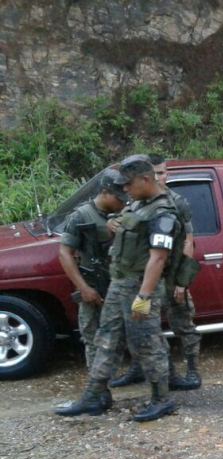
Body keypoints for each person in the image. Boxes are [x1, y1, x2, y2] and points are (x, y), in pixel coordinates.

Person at [54, 158, 183, 422]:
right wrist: (113, 221)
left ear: (145, 179)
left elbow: (158, 258)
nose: (125, 190)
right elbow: (124, 222)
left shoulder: (163, 212)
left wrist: (144, 296)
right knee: (106, 339)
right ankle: (93, 396)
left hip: (140, 286)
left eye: (129, 184)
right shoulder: (138, 204)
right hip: (119, 283)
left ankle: (162, 399)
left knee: (147, 342)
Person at [109, 154, 202, 391]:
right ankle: (141, 368)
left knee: (182, 322)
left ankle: (192, 370)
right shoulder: (140, 200)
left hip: (170, 275)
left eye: (162, 173)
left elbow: (188, 241)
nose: (159, 177)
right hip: (149, 277)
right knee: (145, 328)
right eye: (156, 173)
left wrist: (181, 283)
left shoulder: (175, 203)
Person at [58, 169, 130, 376]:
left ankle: (122, 374)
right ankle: (98, 381)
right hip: (93, 286)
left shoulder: (125, 213)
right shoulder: (80, 216)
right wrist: (83, 288)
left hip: (119, 284)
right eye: (119, 198)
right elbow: (65, 253)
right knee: (92, 337)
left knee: (123, 334)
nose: (123, 202)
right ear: (105, 192)